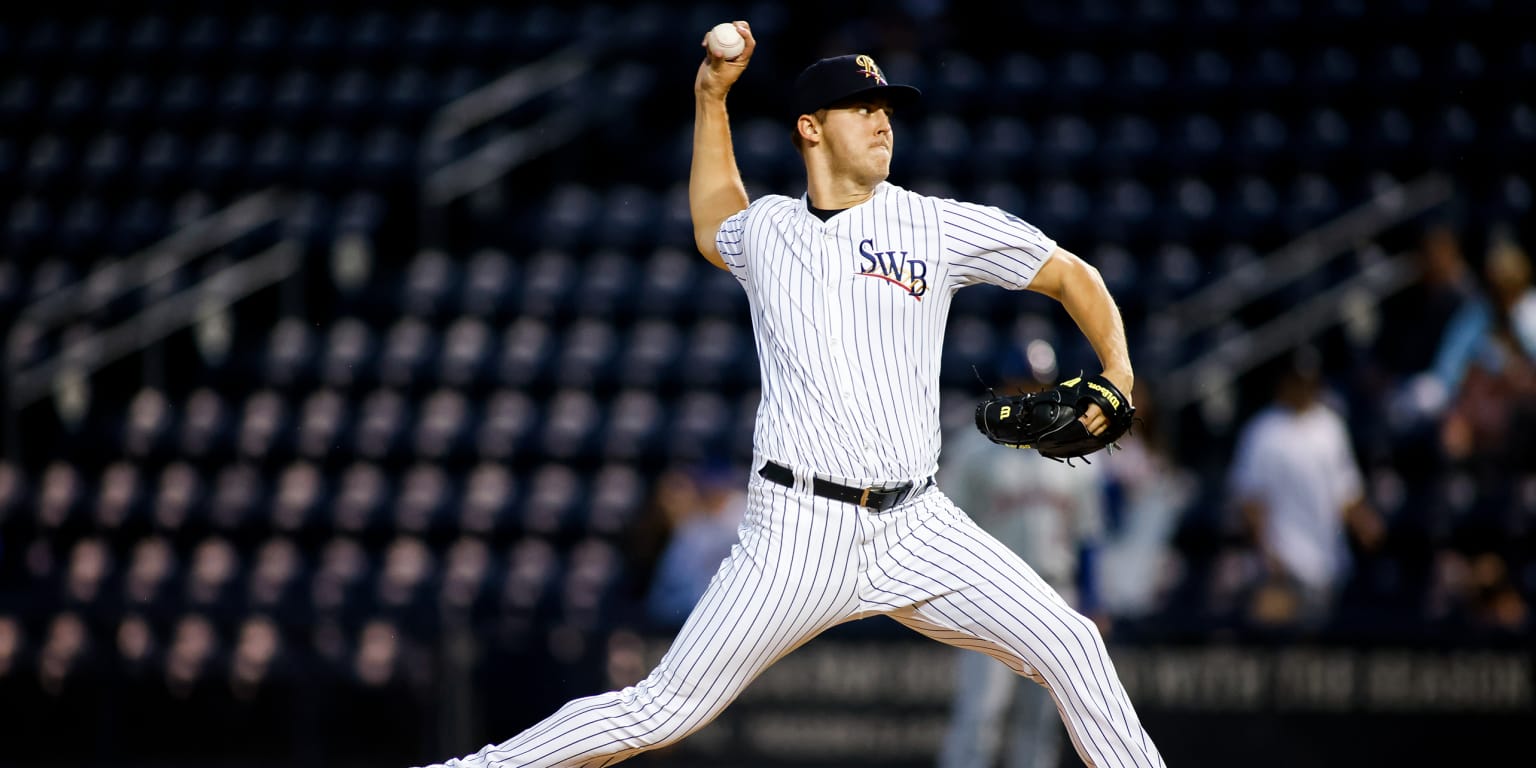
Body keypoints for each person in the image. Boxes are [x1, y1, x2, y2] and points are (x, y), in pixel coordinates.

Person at [419, 22, 1165, 767]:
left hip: (917, 524)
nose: (881, 120)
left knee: (1071, 643)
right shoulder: (770, 230)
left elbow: (1069, 272)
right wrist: (711, 96)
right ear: (810, 128)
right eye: (859, 106)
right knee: (662, 710)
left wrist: (1119, 373)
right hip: (796, 530)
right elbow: (715, 223)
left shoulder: (932, 224)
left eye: (887, 109)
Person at [936, 361, 1108, 768]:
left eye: (1039, 382)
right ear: (1005, 386)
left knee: (1043, 719)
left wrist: (1095, 599)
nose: (1031, 391)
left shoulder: (1075, 444)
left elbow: (1088, 534)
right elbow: (945, 522)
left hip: (1055, 591)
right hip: (990, 594)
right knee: (980, 715)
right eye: (1022, 382)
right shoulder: (975, 446)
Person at [1226, 346, 1384, 629]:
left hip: (1329, 565)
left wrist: (1368, 527)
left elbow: (1346, 492)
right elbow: (1250, 502)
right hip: (1284, 566)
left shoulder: (1330, 427)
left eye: (1310, 382)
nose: (1305, 389)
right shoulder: (1263, 432)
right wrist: (1268, 554)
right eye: (1298, 382)